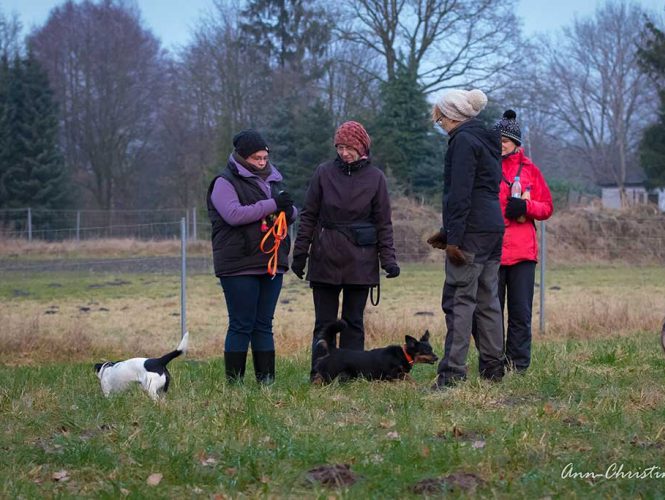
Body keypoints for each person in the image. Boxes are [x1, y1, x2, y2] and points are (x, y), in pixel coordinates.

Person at [291, 120, 400, 377]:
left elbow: (383, 222)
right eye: (339, 147)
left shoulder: (376, 178)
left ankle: (351, 375)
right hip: (325, 256)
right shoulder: (323, 172)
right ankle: (320, 372)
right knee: (324, 323)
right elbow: (308, 215)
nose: (343, 152)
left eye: (349, 147)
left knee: (354, 322)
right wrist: (300, 253)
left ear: (361, 147)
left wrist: (388, 260)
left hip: (361, 259)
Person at [427, 89, 506, 387]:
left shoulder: (462, 142)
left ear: (452, 116)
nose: (440, 124)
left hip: (470, 231)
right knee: (488, 300)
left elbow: (459, 194)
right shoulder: (487, 140)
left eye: (440, 119)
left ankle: (452, 375)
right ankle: (493, 369)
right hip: (492, 228)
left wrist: (453, 240)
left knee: (459, 301)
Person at [207, 129, 296, 385]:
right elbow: (234, 215)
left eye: (264, 157)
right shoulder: (224, 182)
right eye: (257, 158)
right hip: (238, 264)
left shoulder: (273, 179)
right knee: (241, 324)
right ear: (243, 157)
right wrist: (272, 205)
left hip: (271, 262)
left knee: (263, 324)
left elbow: (287, 210)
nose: (262, 162)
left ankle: (266, 382)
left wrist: (289, 211)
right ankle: (234, 384)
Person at [492, 110, 553, 373]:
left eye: (505, 140)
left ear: (516, 143)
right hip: (492, 252)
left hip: (522, 254)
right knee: (491, 314)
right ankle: (492, 363)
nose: (500, 144)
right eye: (497, 140)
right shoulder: (486, 167)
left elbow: (547, 207)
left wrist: (526, 207)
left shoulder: (530, 171)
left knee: (520, 314)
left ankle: (517, 365)